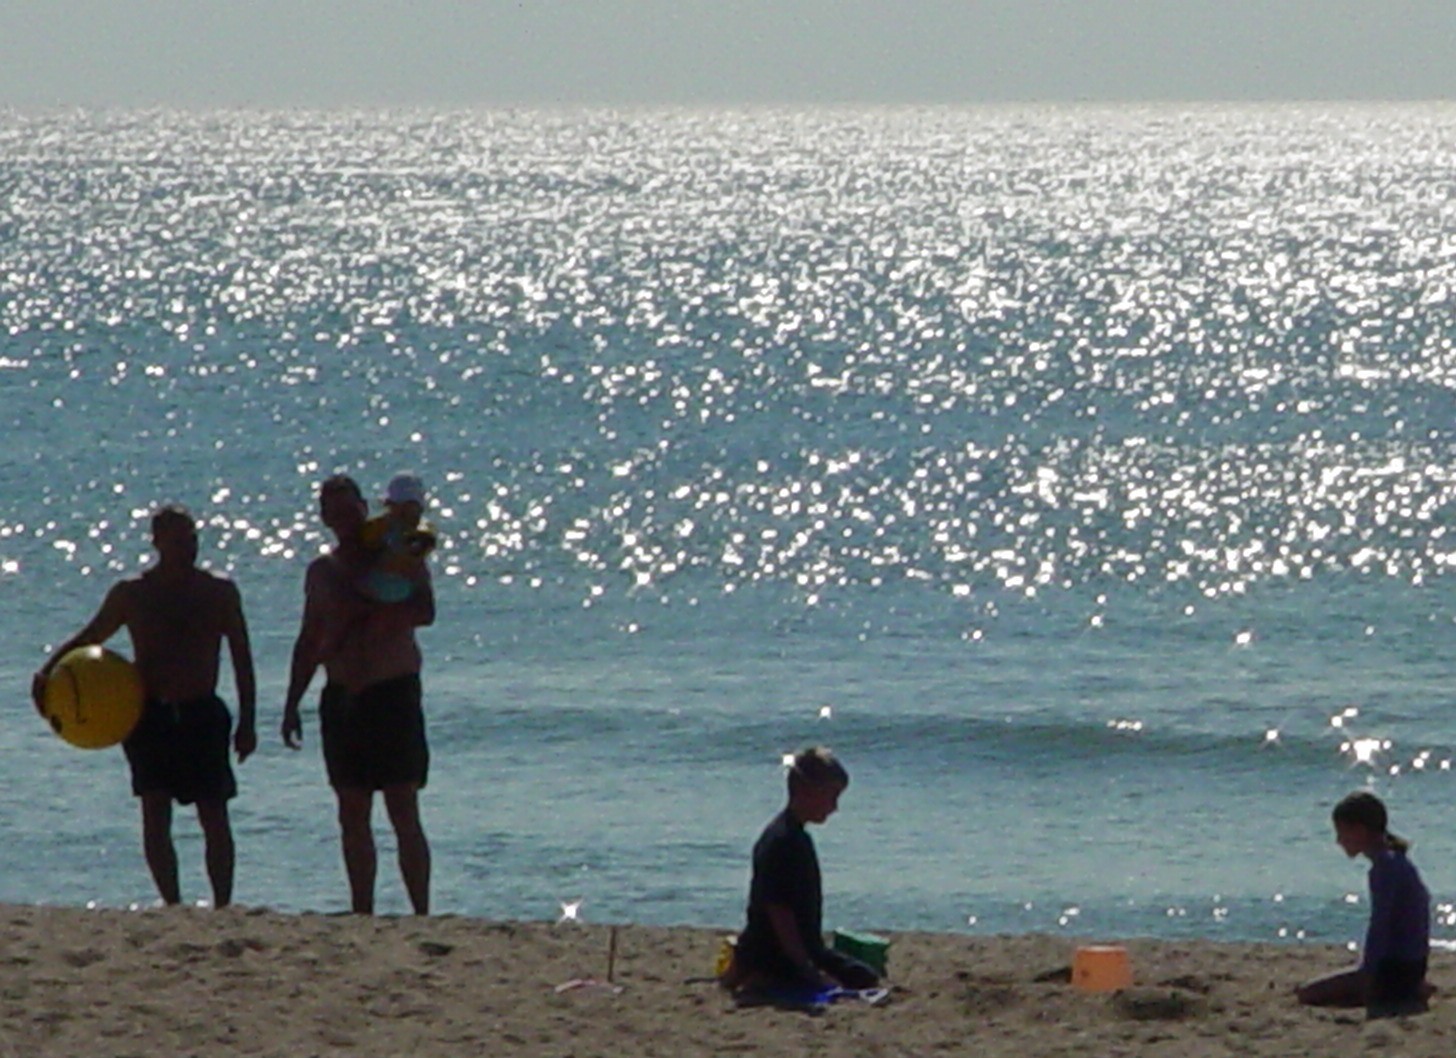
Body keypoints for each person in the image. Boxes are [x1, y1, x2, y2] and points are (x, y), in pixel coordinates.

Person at [30, 505, 257, 908]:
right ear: (156, 541)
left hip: (202, 711)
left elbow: (242, 655)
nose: (187, 546)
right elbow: (92, 634)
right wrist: (48, 671)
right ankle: (173, 903)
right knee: (155, 812)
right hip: (149, 715)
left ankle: (223, 904)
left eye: (192, 538)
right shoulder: (132, 594)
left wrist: (248, 721)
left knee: (214, 813)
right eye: (177, 539)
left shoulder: (218, 591)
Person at [281, 474, 435, 914]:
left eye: (350, 508)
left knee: (403, 808)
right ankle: (362, 909)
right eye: (333, 510)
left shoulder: (397, 554)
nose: (343, 517)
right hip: (343, 694)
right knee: (352, 812)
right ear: (324, 517)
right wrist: (292, 703)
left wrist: (372, 608)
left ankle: (421, 911)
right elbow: (309, 638)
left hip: (392, 690)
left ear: (364, 509)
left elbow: (425, 610)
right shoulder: (323, 571)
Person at [724, 746, 880, 994]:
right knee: (856, 979)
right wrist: (806, 967)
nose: (834, 807)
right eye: (831, 797)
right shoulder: (783, 841)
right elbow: (779, 912)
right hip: (773, 950)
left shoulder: (795, 837)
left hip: (802, 946)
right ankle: (762, 976)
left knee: (863, 974)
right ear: (806, 792)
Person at [1296, 791, 1432, 1018]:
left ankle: (1399, 992)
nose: (1338, 841)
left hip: (1394, 969)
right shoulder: (1397, 861)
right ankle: (1410, 989)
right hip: (1413, 967)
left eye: (1342, 833)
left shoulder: (1383, 869)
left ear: (1359, 830)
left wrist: (1367, 974)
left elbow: (1380, 926)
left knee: (1306, 993)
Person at [359, 472, 437, 603]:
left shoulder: (421, 534)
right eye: (401, 508)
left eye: (411, 508)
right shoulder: (378, 528)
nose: (405, 514)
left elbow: (420, 549)